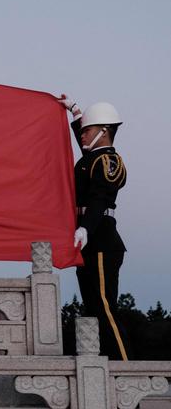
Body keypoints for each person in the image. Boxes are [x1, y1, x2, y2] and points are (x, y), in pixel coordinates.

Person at [59, 95, 129, 360]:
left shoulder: (109, 162)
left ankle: (123, 368)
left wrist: (86, 228)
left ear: (104, 132)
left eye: (88, 131)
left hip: (100, 240)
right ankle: (103, 366)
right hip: (87, 240)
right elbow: (85, 144)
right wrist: (76, 114)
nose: (83, 136)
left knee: (105, 308)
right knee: (92, 307)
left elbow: (100, 198)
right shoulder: (90, 159)